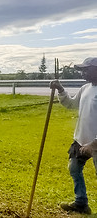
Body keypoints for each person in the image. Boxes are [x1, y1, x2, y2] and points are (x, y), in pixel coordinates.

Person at [50, 57, 97, 215]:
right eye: (82, 70)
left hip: (96, 144)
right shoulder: (85, 88)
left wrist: (93, 145)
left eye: (86, 69)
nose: (83, 73)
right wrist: (61, 89)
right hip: (80, 139)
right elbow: (71, 104)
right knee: (74, 168)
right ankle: (81, 203)